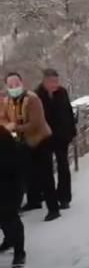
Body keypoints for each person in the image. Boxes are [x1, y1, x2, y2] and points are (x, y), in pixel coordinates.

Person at [0, 72, 60, 222]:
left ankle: (53, 208)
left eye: (16, 84)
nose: (14, 87)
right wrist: (7, 125)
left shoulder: (32, 99)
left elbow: (36, 123)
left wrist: (14, 128)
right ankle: (34, 201)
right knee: (27, 173)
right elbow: (3, 118)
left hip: (41, 140)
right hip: (23, 142)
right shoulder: (7, 101)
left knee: (45, 174)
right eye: (11, 85)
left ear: (22, 83)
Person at [35, 69, 77, 210]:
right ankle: (50, 198)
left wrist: (72, 132)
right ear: (45, 81)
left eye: (57, 81)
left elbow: (69, 112)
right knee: (46, 171)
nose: (55, 84)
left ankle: (64, 197)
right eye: (52, 82)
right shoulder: (37, 96)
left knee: (63, 167)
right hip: (45, 138)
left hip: (61, 137)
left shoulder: (62, 92)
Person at [0, 126, 26, 268]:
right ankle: (9, 240)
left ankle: (19, 252)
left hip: (10, 184)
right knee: (3, 218)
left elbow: (11, 164)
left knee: (10, 216)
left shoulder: (4, 138)